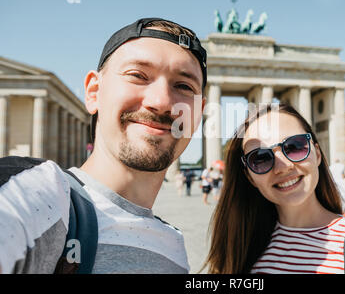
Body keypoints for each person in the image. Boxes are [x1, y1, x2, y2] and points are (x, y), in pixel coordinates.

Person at [0, 17, 207, 274]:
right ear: (94, 92)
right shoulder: (36, 196)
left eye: (184, 86)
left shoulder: (174, 249)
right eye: (138, 75)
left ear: (199, 112)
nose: (162, 101)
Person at [204, 103, 345, 274]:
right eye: (261, 158)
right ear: (250, 177)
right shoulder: (241, 247)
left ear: (317, 153)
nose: (283, 167)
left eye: (294, 146)